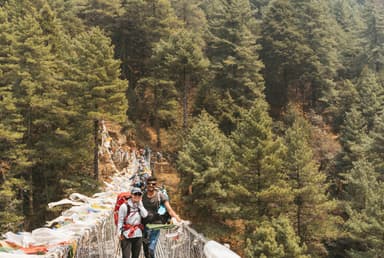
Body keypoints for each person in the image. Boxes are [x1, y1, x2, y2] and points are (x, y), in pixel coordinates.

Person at [142, 176, 181, 258]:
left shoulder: (160, 195)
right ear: (146, 185)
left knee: (151, 248)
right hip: (144, 225)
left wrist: (178, 219)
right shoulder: (142, 196)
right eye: (149, 184)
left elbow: (169, 209)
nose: (151, 185)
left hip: (156, 225)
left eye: (153, 184)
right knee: (146, 250)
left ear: (156, 185)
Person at [118, 187, 148, 258]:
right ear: (131, 195)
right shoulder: (124, 206)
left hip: (138, 234)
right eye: (135, 194)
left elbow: (145, 215)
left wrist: (140, 206)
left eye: (139, 194)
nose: (137, 196)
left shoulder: (140, 205)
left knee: (135, 256)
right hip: (126, 234)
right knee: (126, 256)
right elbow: (120, 221)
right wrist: (119, 234)